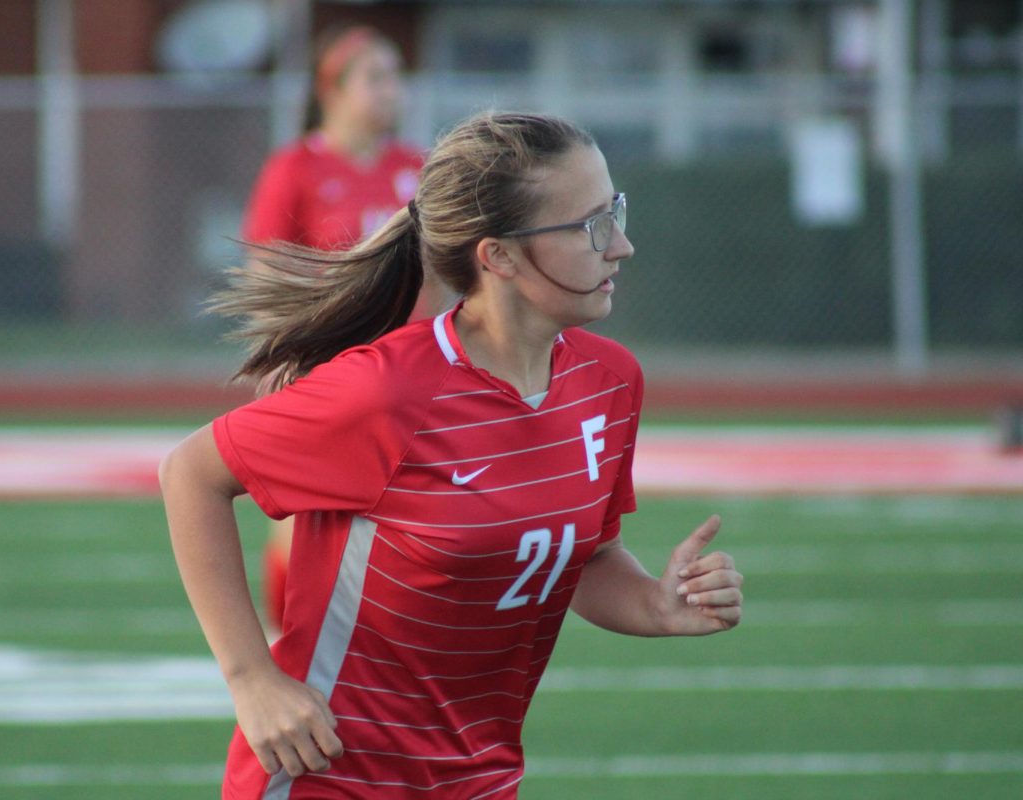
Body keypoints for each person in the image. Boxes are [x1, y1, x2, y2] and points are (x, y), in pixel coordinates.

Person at [160, 111, 744, 799]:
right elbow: (191, 473)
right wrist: (252, 680)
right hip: (332, 777)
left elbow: (579, 555)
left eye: (615, 210)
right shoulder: (387, 392)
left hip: (482, 781)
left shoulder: (611, 381)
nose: (622, 246)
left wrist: (655, 603)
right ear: (497, 256)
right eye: (591, 225)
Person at [241, 24, 434, 632]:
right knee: (301, 507)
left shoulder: (417, 167)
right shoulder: (296, 167)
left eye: (395, 77)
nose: (391, 91)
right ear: (333, 89)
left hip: (410, 368)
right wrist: (279, 364)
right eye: (375, 77)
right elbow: (266, 272)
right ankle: (288, 639)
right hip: (328, 366)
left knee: (413, 504)